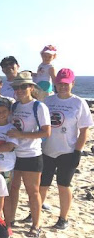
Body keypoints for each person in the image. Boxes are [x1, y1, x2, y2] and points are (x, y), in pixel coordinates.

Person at [40, 68, 93, 229]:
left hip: (68, 152)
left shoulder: (79, 103)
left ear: (72, 84)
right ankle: (35, 213)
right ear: (55, 84)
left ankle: (63, 218)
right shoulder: (48, 101)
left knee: (63, 185)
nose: (62, 86)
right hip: (47, 150)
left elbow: (84, 131)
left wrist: (77, 151)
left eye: (66, 84)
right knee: (42, 185)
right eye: (60, 83)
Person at [6, 71, 51, 237]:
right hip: (14, 154)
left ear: (31, 87)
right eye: (17, 87)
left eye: (23, 86)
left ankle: (36, 225)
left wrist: (21, 135)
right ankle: (10, 220)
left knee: (33, 191)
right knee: (13, 188)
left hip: (32, 154)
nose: (19, 90)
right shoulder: (15, 106)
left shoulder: (39, 106)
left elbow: (46, 132)